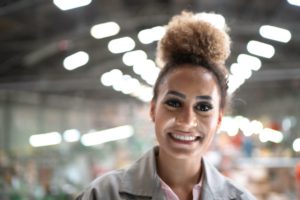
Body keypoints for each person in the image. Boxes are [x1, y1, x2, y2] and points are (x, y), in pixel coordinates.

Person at [76, 11, 256, 200]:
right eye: (174, 103)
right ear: (153, 109)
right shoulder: (102, 195)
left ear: (219, 119)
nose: (187, 121)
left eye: (203, 107)